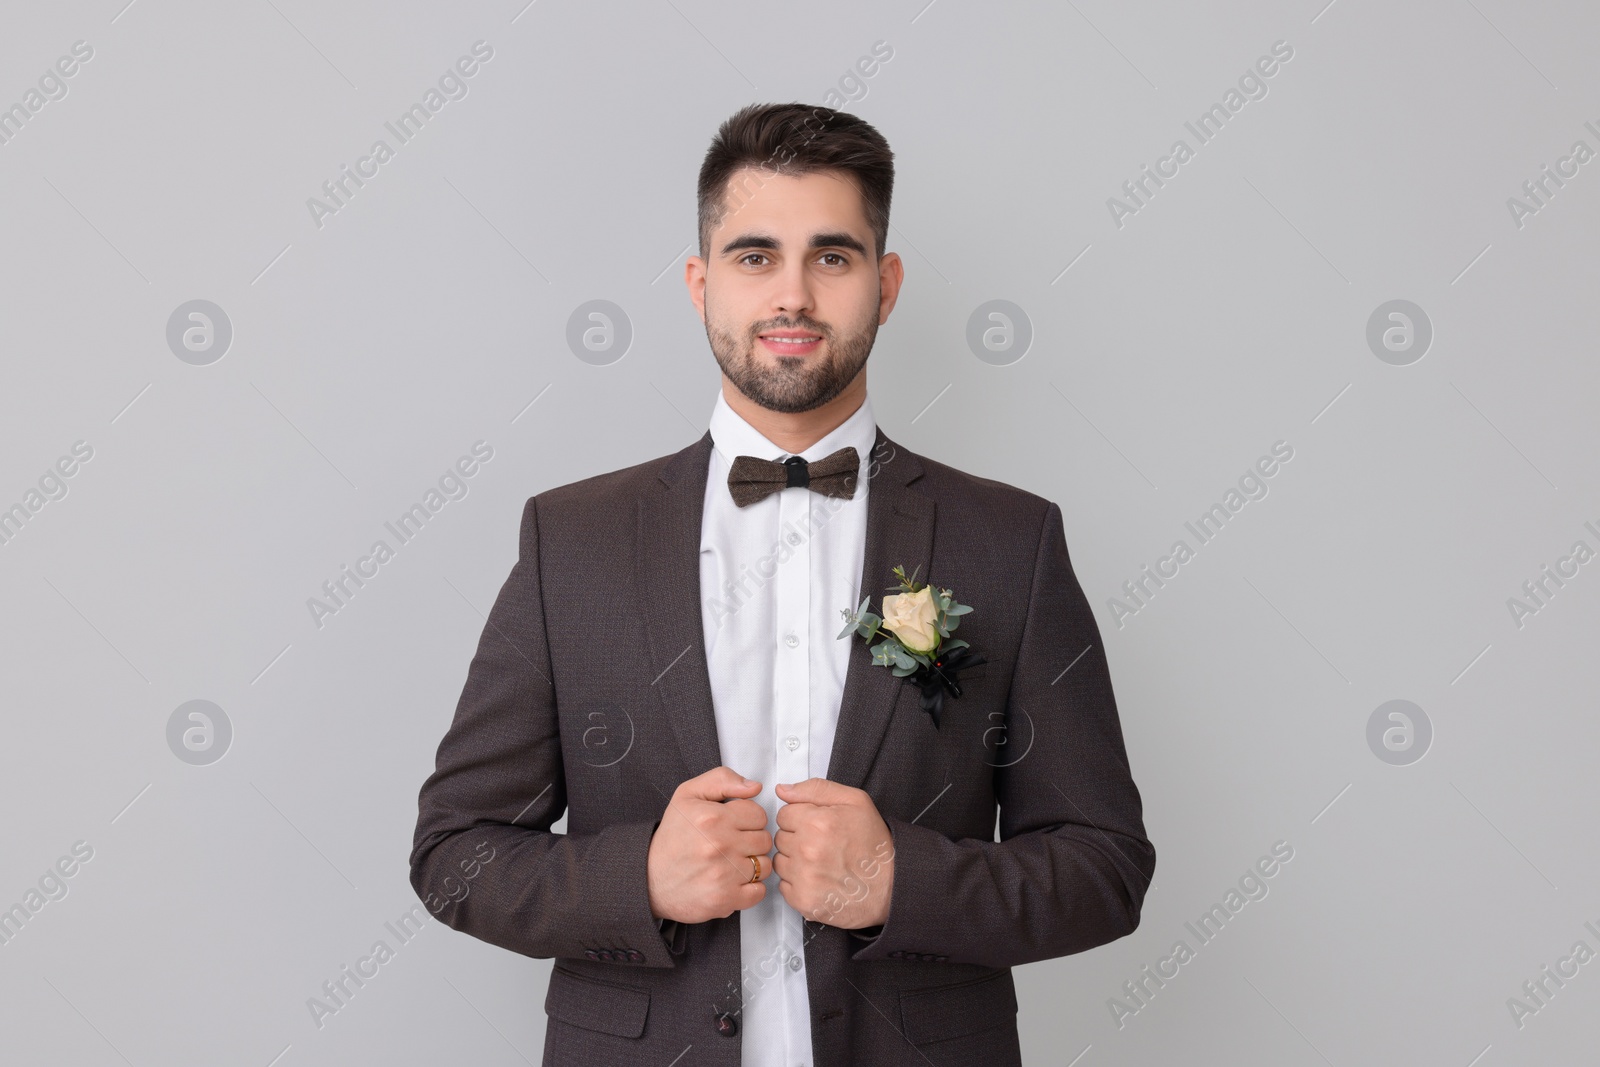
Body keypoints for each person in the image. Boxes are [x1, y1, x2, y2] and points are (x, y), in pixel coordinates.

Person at [409, 101, 1155, 1067]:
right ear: (700, 282)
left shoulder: (1012, 539)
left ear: (885, 286)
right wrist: (638, 877)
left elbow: (1106, 866)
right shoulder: (572, 539)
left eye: (832, 257)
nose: (792, 296)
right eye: (755, 256)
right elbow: (453, 854)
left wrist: (902, 880)